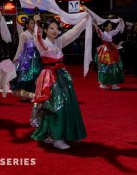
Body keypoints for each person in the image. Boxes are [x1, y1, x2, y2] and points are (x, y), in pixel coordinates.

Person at [30, 15, 88, 150]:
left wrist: (85, 20)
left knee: (68, 105)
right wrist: (38, 22)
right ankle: (56, 138)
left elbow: (73, 33)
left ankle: (64, 134)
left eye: (56, 28)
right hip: (49, 78)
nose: (55, 31)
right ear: (45, 30)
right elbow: (36, 36)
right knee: (56, 107)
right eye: (51, 28)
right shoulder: (42, 43)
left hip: (61, 76)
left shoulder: (59, 42)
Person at [12, 16, 42, 100]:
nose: (33, 25)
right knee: (26, 74)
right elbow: (20, 47)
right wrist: (16, 57)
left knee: (35, 73)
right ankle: (26, 92)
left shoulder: (35, 33)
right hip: (27, 57)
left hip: (35, 56)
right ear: (27, 25)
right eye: (31, 23)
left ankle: (34, 91)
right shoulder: (24, 34)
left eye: (34, 23)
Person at [94, 19, 124, 89]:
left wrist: (120, 22)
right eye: (109, 26)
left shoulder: (110, 33)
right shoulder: (103, 34)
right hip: (106, 51)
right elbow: (98, 30)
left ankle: (113, 83)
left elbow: (117, 30)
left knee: (113, 66)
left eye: (111, 26)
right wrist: (95, 24)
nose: (111, 28)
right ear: (105, 27)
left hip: (111, 50)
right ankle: (104, 83)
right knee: (106, 67)